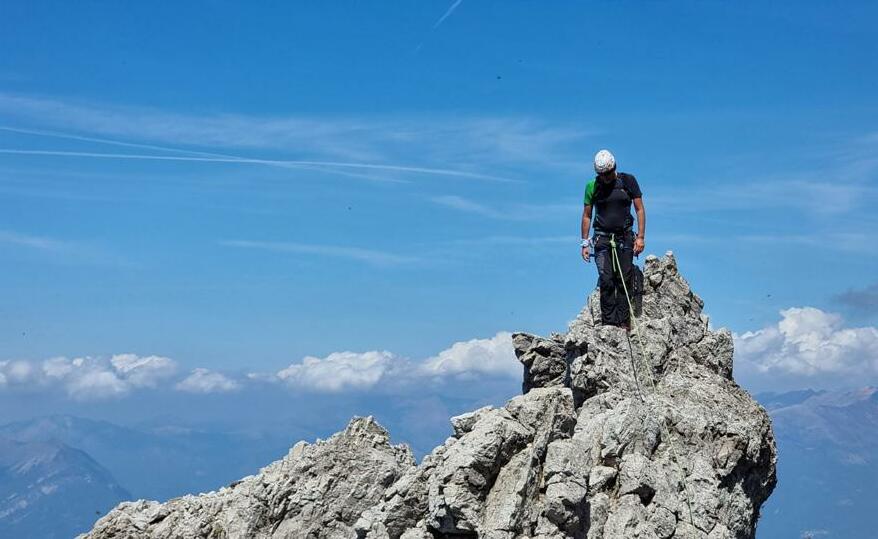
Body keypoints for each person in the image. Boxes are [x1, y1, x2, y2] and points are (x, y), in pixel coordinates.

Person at [580, 149, 646, 329]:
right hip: (602, 238)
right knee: (606, 279)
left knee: (624, 278)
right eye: (602, 175)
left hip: (625, 237)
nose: (606, 178)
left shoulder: (628, 181)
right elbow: (587, 215)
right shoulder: (592, 186)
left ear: (614, 168)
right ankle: (609, 323)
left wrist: (640, 237)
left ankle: (624, 322)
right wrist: (584, 243)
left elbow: (639, 209)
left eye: (608, 173)